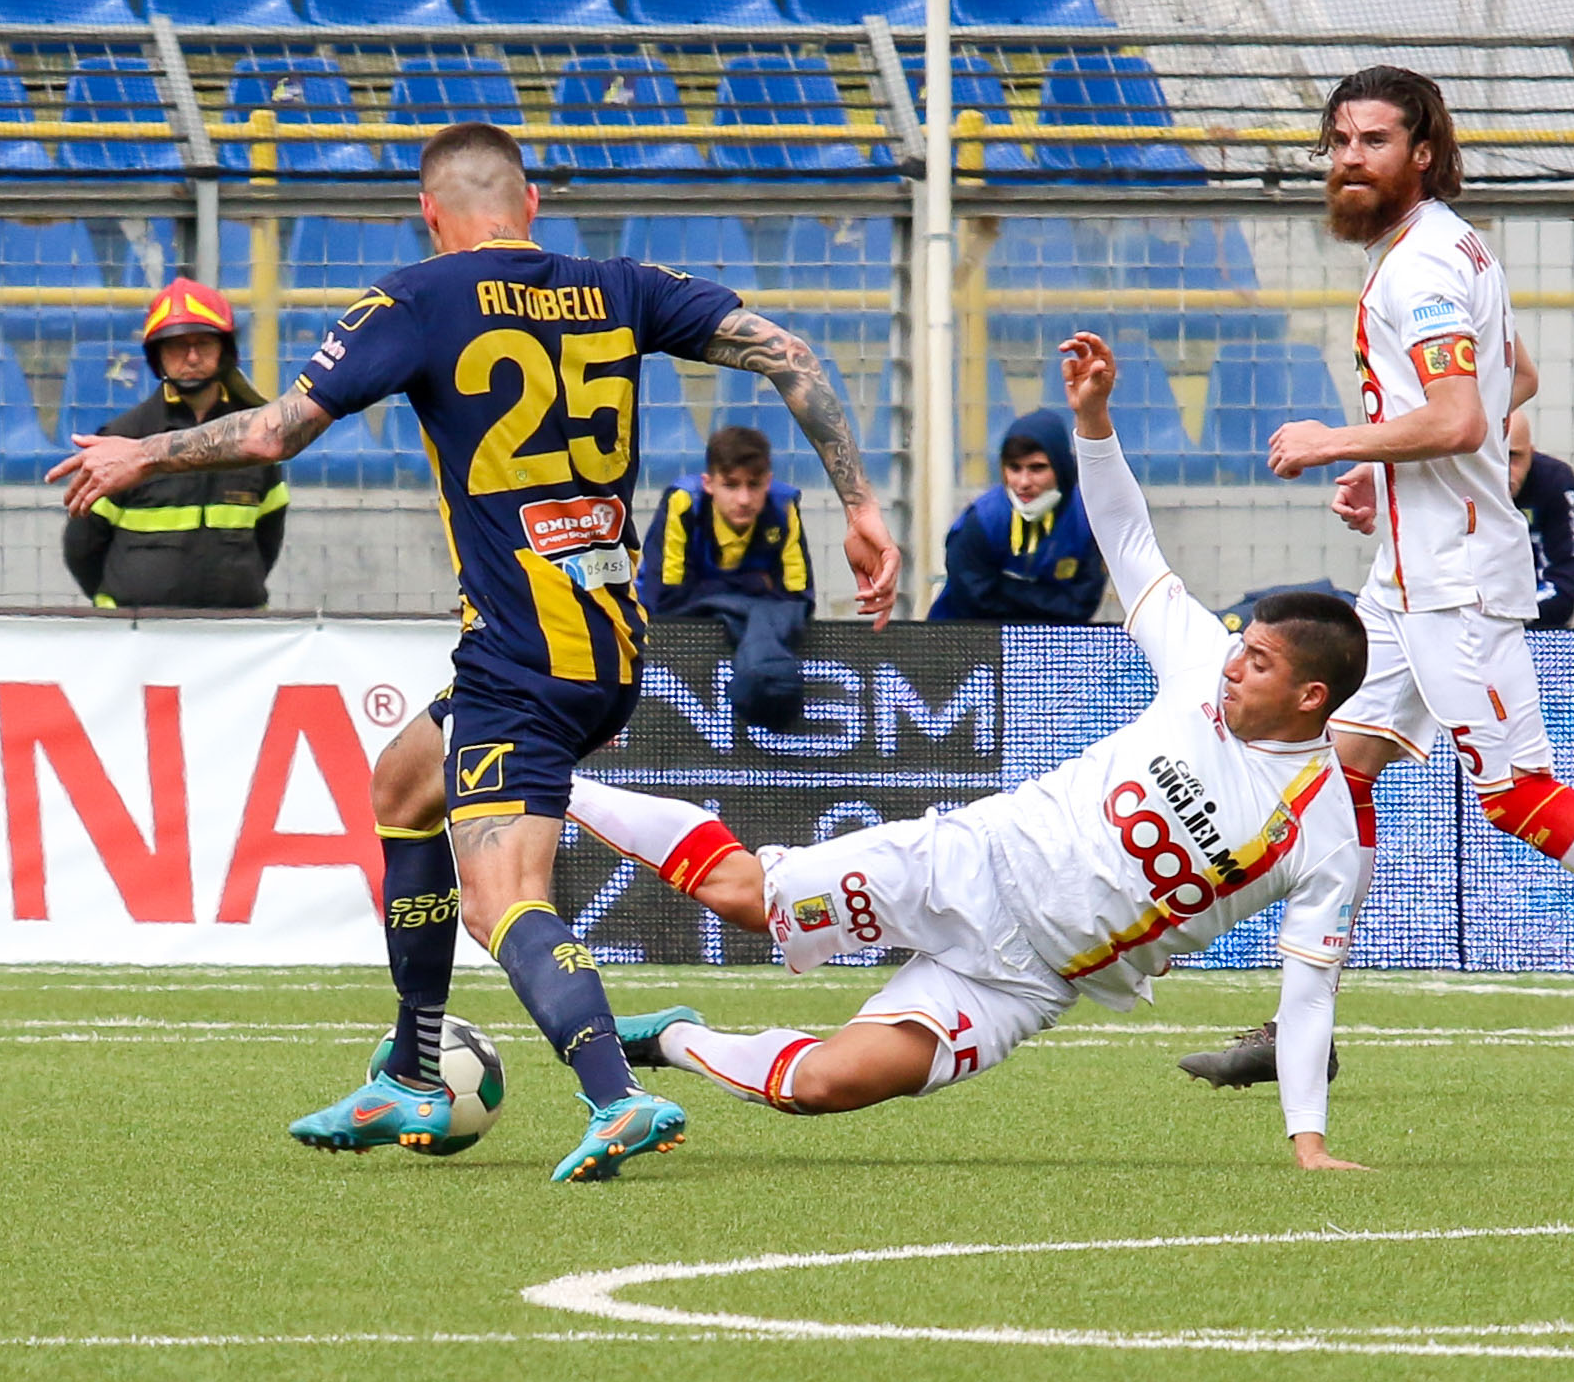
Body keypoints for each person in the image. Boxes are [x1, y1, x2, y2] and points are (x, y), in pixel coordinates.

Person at [52, 122, 900, 1181]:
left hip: (519, 659)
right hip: (605, 645)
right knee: (404, 782)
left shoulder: (417, 299)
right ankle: (413, 1066)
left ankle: (616, 1095)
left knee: (504, 900)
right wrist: (861, 508)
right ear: (531, 204)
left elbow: (272, 433)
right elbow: (791, 356)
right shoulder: (618, 285)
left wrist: (146, 450)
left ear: (428, 211)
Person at [566, 331, 1372, 1170]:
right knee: (744, 897)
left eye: (1260, 662)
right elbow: (1130, 542)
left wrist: (1307, 1144)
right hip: (968, 864)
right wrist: (1091, 418)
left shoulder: (1324, 832)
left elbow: (1309, 990)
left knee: (824, 1085)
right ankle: (551, 782)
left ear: (1310, 697)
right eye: (1242, 648)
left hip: (1024, 984)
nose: (1234, 665)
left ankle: (676, 1039)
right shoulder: (1202, 664)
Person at [1186, 66, 1574, 1092]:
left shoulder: (1420, 267)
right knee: (1335, 770)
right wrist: (1381, 466)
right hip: (1405, 576)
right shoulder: (1443, 247)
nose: (1348, 159)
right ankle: (1298, 1024)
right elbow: (1515, 379)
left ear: (1422, 153)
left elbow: (1462, 415)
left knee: (1518, 797)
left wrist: (1337, 442)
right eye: (1337, 142)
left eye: (1372, 141)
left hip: (1455, 579)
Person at [59, 277, 287, 610]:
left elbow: (269, 535)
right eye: (178, 346)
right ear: (158, 356)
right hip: (134, 637)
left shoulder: (256, 434)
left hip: (238, 636)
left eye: (203, 344)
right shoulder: (122, 438)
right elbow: (82, 548)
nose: (191, 357)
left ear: (225, 350)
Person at [638, 424, 813, 727]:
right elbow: (665, 600)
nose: (744, 499)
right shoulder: (683, 505)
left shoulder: (784, 508)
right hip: (671, 651)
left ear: (768, 482)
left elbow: (798, 601)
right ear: (709, 483)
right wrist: (754, 584)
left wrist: (710, 592)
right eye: (731, 485)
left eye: (754, 485)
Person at [928, 410, 1106, 623]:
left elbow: (1081, 605)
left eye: (1037, 468)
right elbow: (973, 597)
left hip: (1054, 647)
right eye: (1014, 468)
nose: (1023, 482)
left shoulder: (1087, 521)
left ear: (1061, 468)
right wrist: (1049, 600)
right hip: (967, 640)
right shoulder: (982, 521)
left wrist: (1003, 587)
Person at [1507, 409, 1574, 628]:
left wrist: (1502, 618)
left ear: (1531, 453)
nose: (1504, 470)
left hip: (1532, 629)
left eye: (1513, 457)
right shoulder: (1457, 485)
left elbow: (1563, 591)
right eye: (1496, 456)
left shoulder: (1554, 481)